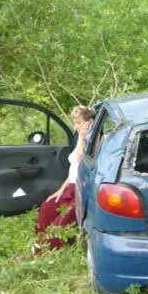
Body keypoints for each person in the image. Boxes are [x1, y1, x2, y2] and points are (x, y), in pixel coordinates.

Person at [34, 105, 95, 252]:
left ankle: (50, 251)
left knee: (61, 222)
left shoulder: (94, 141)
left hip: (81, 189)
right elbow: (72, 170)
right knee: (47, 208)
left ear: (90, 122)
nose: (76, 126)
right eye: (75, 122)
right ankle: (38, 246)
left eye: (79, 122)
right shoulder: (81, 140)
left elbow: (80, 156)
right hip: (70, 187)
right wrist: (60, 191)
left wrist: (82, 136)